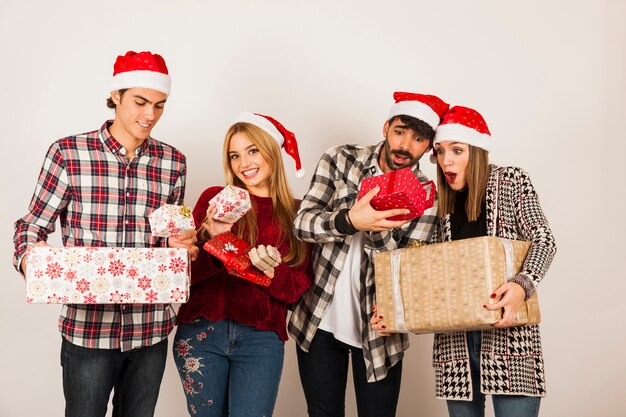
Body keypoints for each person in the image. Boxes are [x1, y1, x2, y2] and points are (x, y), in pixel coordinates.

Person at [12, 50, 198, 417]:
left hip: (151, 329)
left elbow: (168, 240)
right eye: (140, 102)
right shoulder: (68, 153)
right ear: (115, 96)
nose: (150, 116)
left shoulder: (173, 162)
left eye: (160, 105)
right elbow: (32, 225)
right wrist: (32, 259)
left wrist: (180, 246)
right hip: (88, 331)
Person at [373, 105, 556, 417]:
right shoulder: (438, 201)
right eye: (441, 151)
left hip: (508, 339)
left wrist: (521, 287)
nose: (446, 161)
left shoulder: (510, 181)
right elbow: (423, 270)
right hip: (454, 346)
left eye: (457, 150)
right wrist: (393, 312)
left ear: (477, 151)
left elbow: (544, 240)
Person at [288, 92, 449, 417]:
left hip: (380, 332)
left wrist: (378, 231)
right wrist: (350, 221)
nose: (406, 145)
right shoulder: (340, 159)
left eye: (419, 138)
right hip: (320, 321)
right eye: (400, 131)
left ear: (429, 146)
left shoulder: (427, 197)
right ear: (386, 126)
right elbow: (302, 224)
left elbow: (410, 272)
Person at [173, 112, 312, 417]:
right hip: (202, 331)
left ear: (271, 151)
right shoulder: (215, 198)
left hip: (261, 339)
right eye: (234, 155)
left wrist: (265, 268)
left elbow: (297, 291)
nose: (243, 163)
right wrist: (213, 240)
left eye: (253, 151)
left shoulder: (298, 214)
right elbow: (185, 277)